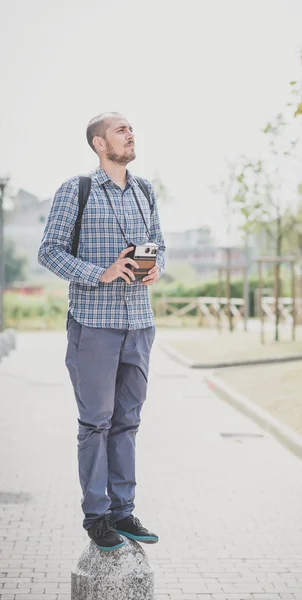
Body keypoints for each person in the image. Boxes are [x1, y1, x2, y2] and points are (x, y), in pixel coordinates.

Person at [38, 112, 166, 551]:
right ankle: (97, 517)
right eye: (121, 129)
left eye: (131, 128)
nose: (131, 134)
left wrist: (155, 269)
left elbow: (160, 246)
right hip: (93, 326)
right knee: (96, 423)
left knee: (127, 422)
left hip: (140, 325)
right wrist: (102, 273)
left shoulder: (146, 190)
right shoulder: (77, 190)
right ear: (99, 143)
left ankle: (123, 511)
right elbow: (49, 252)